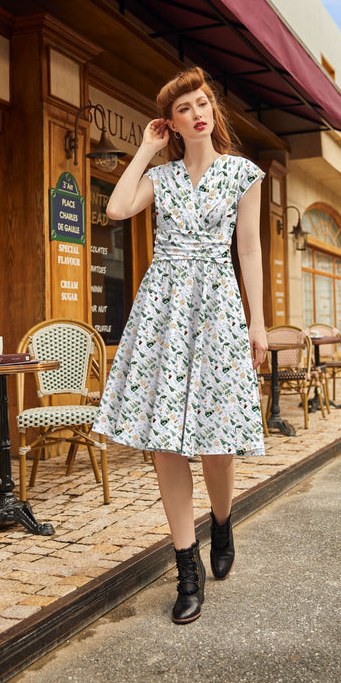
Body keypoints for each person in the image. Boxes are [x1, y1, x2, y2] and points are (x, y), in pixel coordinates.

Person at [92, 66, 267, 624]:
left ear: (212, 112)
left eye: (204, 103)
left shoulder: (242, 174)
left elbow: (251, 252)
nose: (199, 112)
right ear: (172, 122)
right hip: (162, 311)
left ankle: (220, 519)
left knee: (216, 444)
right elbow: (117, 209)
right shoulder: (161, 179)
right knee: (164, 443)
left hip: (217, 309)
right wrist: (144, 150)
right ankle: (185, 568)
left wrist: (258, 324)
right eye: (186, 107)